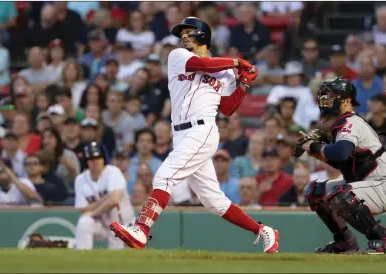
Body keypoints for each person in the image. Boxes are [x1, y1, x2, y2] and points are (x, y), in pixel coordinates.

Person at [110, 17, 280, 253]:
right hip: (181, 133)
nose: (184, 36)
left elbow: (228, 108)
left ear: (203, 35)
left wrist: (243, 84)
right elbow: (204, 66)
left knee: (165, 176)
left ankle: (141, 229)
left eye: (189, 32)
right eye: (183, 33)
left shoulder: (226, 73)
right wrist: (236, 62)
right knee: (213, 201)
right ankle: (263, 231)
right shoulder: (177, 56)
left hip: (203, 130)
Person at [294, 77, 386, 254]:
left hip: (382, 183)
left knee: (341, 194)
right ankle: (344, 242)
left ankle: (380, 239)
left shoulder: (351, 122)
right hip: (370, 183)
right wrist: (318, 152)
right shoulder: (343, 124)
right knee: (314, 192)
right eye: (325, 95)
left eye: (332, 95)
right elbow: (344, 162)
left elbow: (341, 152)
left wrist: (313, 145)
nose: (326, 99)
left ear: (346, 100)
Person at [74, 142, 135, 250]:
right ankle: (82, 256)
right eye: (91, 158)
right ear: (86, 161)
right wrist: (106, 197)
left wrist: (93, 212)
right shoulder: (80, 179)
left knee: (119, 261)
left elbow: (114, 201)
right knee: (84, 222)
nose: (95, 161)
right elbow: (83, 209)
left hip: (124, 225)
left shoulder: (112, 172)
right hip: (101, 224)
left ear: (104, 159)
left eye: (98, 157)